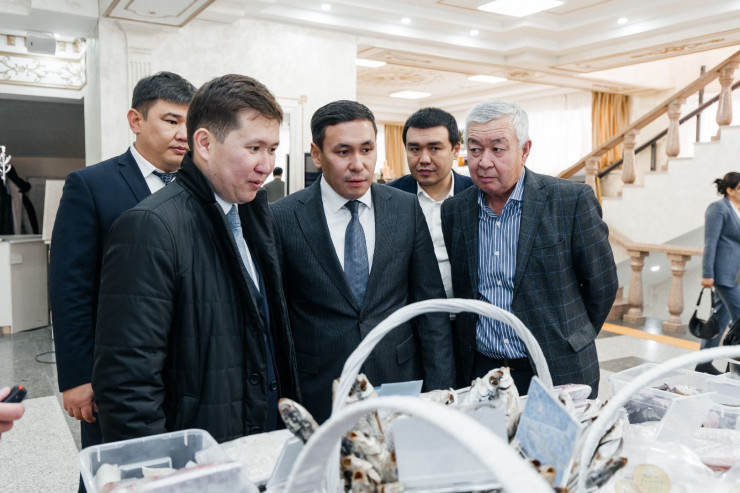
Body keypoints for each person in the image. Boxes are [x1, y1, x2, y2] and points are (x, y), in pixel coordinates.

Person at [93, 74, 299, 443]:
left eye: (272, 149)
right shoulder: (150, 226)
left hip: (259, 437)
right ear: (204, 143)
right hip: (196, 449)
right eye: (254, 148)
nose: (266, 165)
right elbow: (128, 381)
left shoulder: (254, 215)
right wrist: (158, 465)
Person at [271, 100, 455, 422]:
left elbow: (431, 308)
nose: (358, 164)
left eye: (367, 150)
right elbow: (277, 319)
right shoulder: (282, 217)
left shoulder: (405, 208)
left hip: (398, 380)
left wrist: (440, 394)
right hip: (320, 387)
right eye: (343, 152)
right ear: (317, 154)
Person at [49, 72, 195, 457]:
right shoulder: (91, 186)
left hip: (188, 368)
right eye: (171, 120)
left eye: (190, 122)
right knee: (116, 466)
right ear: (136, 121)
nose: (183, 134)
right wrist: (77, 377)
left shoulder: (201, 189)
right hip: (116, 371)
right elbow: (70, 287)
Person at [441, 100, 618, 396]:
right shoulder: (455, 211)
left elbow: (602, 285)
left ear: (524, 150)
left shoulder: (570, 201)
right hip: (483, 370)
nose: (484, 162)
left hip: (558, 367)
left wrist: (573, 338)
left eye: (498, 149)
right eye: (475, 149)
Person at [388, 107, 474, 297]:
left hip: (467, 308)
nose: (424, 159)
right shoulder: (389, 197)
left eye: (434, 148)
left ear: (455, 150)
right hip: (411, 309)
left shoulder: (477, 195)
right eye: (415, 149)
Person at [697, 171, 740, 374]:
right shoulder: (718, 208)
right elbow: (710, 242)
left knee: (719, 321)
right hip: (722, 274)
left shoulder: (737, 210)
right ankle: (735, 367)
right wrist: (707, 273)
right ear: (730, 190)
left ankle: (703, 364)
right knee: (739, 319)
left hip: (734, 274)